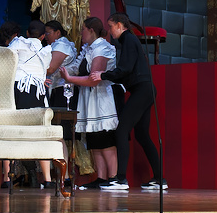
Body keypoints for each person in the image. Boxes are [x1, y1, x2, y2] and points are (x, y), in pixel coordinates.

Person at [89, 13, 166, 190]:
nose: (109, 31)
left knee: (122, 130)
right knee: (142, 135)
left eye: (111, 26)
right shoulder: (129, 41)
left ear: (119, 25)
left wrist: (103, 75)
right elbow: (126, 71)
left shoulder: (129, 40)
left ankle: (121, 179)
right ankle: (159, 179)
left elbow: (125, 69)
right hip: (145, 90)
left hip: (142, 90)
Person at [60, 17, 120, 187]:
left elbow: (94, 79)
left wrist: (69, 79)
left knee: (105, 137)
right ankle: (101, 177)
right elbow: (77, 70)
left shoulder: (102, 48)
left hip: (102, 97)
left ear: (91, 30)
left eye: (83, 29)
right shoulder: (89, 48)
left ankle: (113, 177)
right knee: (94, 138)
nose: (81, 33)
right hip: (89, 98)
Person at [7, 20, 56, 188]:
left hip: (19, 89)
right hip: (37, 92)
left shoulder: (18, 43)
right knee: (40, 135)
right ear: (42, 36)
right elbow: (44, 70)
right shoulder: (46, 51)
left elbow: (6, 59)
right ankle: (47, 179)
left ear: (27, 33)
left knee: (10, 132)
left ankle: (7, 178)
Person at [43, 20, 79, 109]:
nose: (45, 36)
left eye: (48, 33)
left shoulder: (61, 45)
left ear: (58, 32)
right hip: (59, 87)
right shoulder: (59, 45)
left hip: (63, 88)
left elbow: (51, 69)